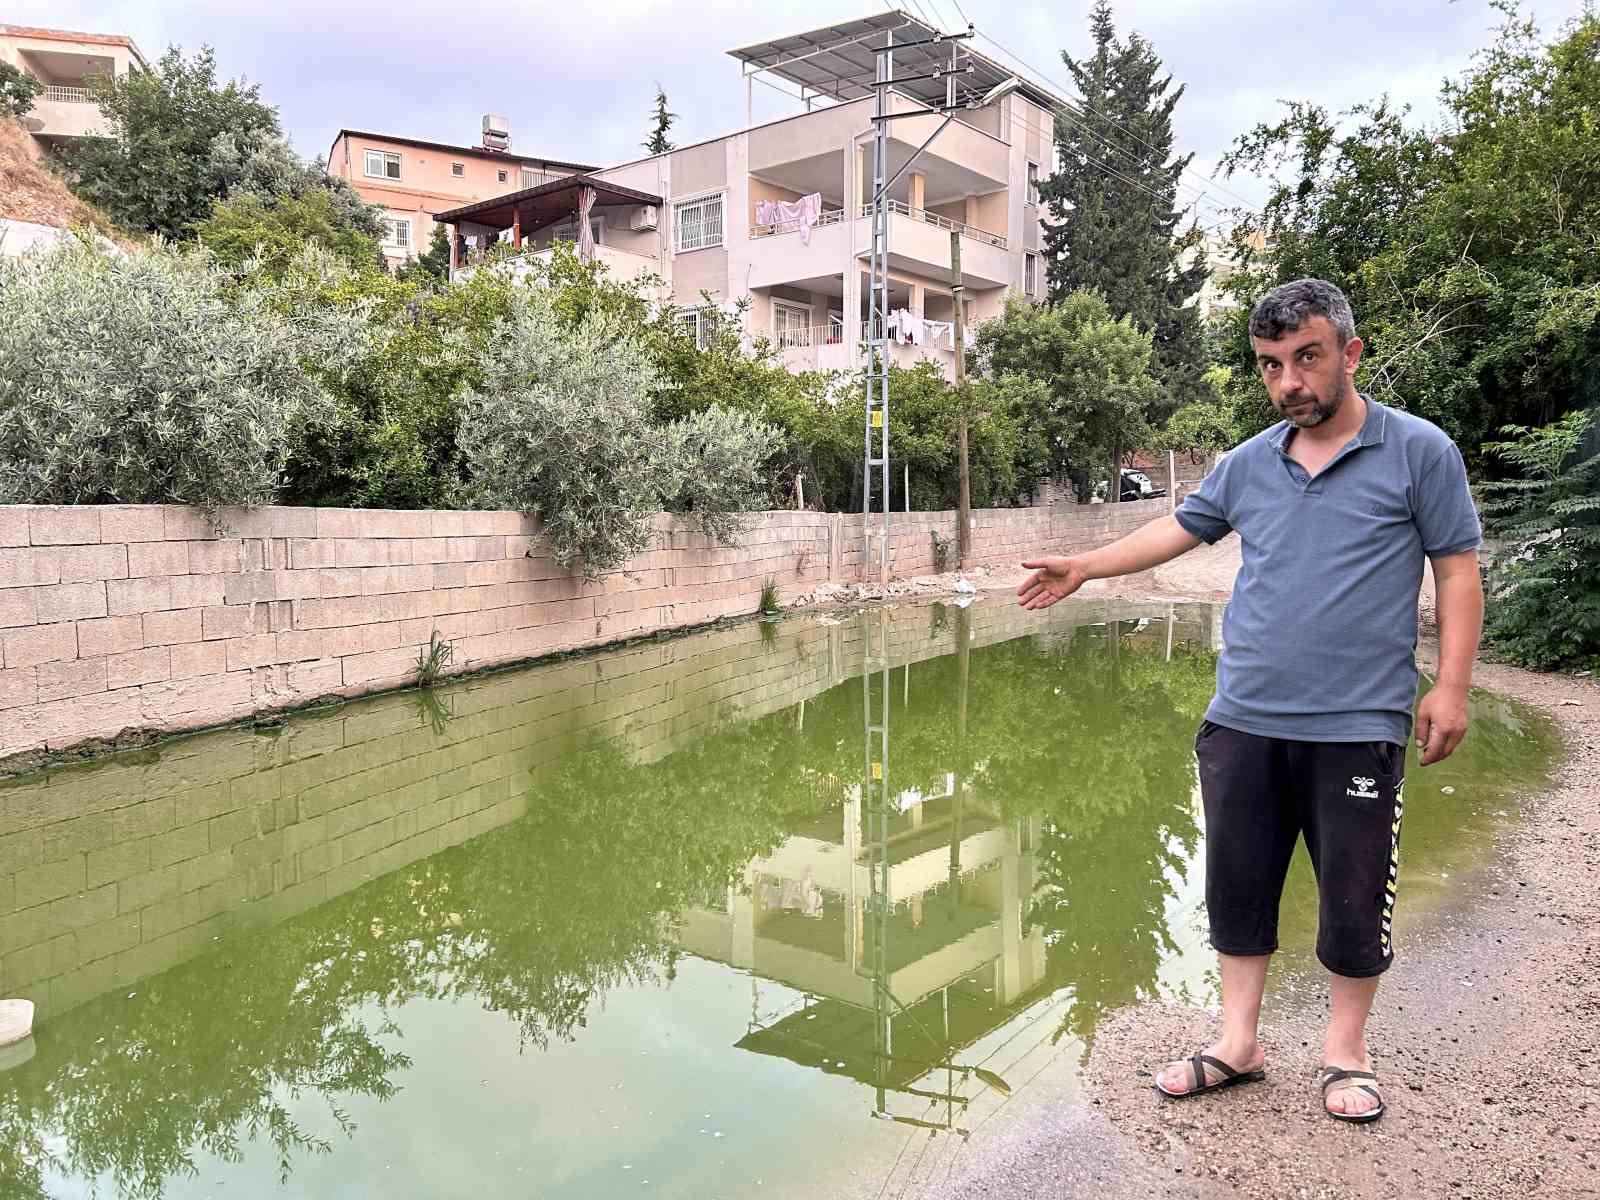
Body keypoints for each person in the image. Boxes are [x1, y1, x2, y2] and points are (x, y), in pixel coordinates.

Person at [1017, 278, 1483, 1124]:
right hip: (1243, 717)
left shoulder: (1419, 452)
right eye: (1271, 366)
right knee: (1237, 884)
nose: (1289, 383)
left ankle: (1346, 1054)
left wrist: (1450, 687)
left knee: (1352, 891)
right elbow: (1177, 528)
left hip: (1358, 721)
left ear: (1349, 353)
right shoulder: (1248, 461)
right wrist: (1086, 565)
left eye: (1305, 358)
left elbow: (1456, 567)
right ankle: (1239, 1043)